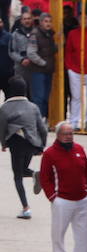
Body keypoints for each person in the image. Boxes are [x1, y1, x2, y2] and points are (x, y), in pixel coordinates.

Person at [38, 122, 87, 252]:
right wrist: (53, 197)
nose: (69, 136)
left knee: (84, 235)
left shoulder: (79, 149)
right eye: (66, 134)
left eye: (71, 133)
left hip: (83, 199)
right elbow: (45, 178)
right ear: (58, 135)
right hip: (62, 201)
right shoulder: (50, 154)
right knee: (58, 235)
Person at [0, 77, 48, 220]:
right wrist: (41, 146)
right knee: (23, 170)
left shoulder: (5, 108)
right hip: (32, 144)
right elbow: (43, 129)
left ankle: (25, 208)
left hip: (16, 143)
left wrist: (3, 143)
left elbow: (1, 129)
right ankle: (34, 175)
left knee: (17, 176)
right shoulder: (33, 107)